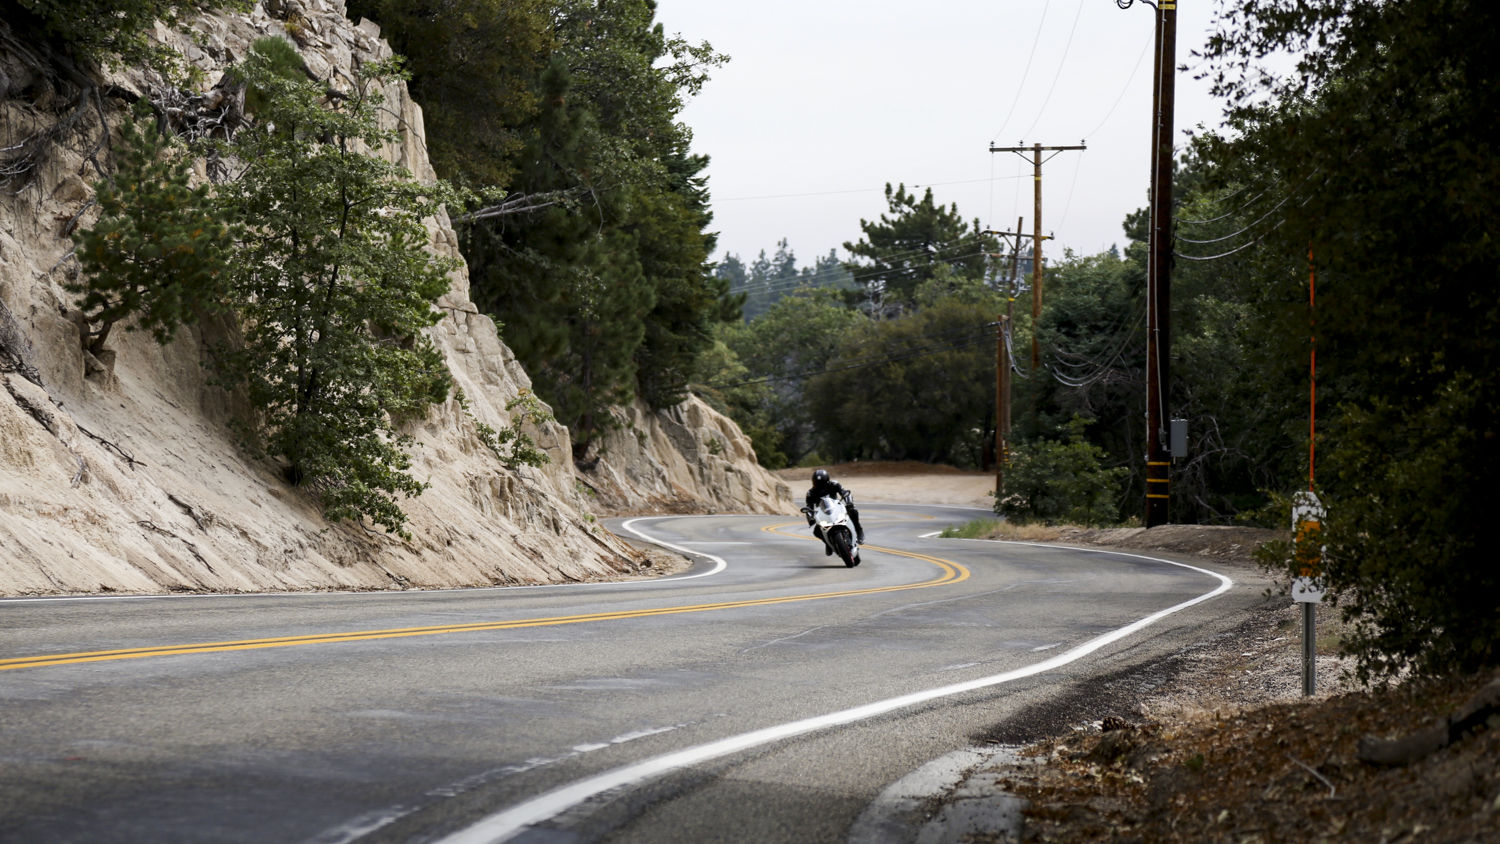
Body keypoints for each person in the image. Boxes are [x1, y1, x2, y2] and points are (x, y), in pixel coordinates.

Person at [804, 468, 865, 552]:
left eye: (821, 483)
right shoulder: (810, 493)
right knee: (816, 531)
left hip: (837, 508)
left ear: (827, 481)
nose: (819, 485)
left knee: (852, 511)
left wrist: (849, 502)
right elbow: (809, 508)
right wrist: (810, 518)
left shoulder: (834, 484)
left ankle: (859, 531)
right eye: (816, 483)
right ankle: (828, 543)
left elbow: (845, 492)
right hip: (823, 513)